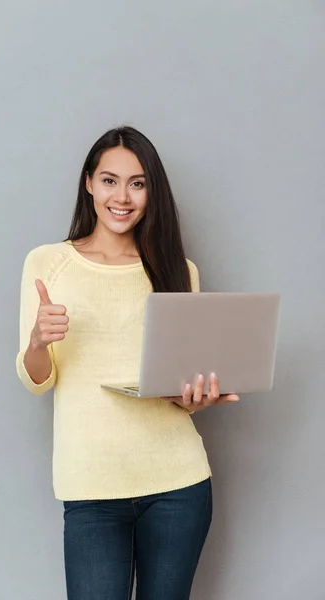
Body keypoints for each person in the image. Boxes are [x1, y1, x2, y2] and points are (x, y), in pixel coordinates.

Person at [16, 126, 240, 600]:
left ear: (151, 191)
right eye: (110, 180)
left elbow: (179, 391)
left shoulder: (179, 270)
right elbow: (38, 380)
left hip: (178, 484)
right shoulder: (47, 263)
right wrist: (38, 340)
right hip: (91, 487)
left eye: (137, 183)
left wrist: (195, 398)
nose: (123, 196)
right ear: (89, 184)